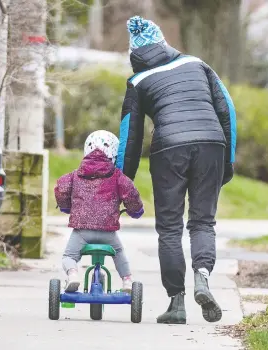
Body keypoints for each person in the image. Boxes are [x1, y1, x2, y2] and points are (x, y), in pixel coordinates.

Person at [116, 16, 237, 324]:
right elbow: (227, 112)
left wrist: (120, 183)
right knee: (203, 222)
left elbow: (131, 137)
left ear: (135, 56)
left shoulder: (138, 82)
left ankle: (177, 303)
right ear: (164, 44)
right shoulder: (198, 64)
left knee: (169, 227)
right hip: (212, 143)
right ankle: (202, 278)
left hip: (169, 148)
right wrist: (228, 160)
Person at [54, 130, 144, 293]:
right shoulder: (117, 176)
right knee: (118, 252)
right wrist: (135, 210)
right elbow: (131, 192)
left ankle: (73, 274)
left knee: (69, 256)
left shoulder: (75, 175)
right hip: (107, 232)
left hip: (81, 232)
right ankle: (127, 281)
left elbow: (61, 188)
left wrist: (65, 206)